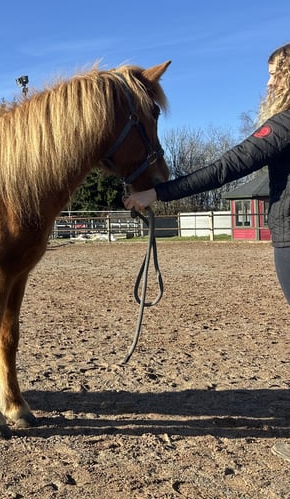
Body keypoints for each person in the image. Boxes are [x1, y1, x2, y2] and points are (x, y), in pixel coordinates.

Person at [124, 42, 290, 462]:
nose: (269, 83)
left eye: (275, 75)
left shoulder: (285, 124)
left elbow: (225, 168)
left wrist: (156, 193)